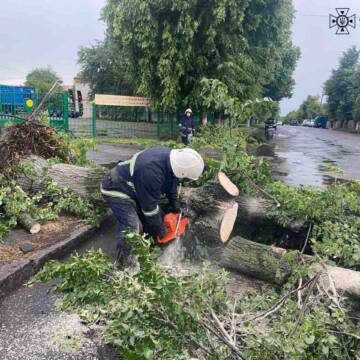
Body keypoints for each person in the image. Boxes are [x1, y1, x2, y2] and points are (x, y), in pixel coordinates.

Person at [101, 147, 205, 268]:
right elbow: (149, 209)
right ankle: (126, 265)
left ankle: (147, 246)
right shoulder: (150, 170)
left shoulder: (171, 160)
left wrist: (174, 203)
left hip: (136, 188)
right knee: (132, 227)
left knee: (157, 214)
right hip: (117, 189)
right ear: (182, 170)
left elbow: (171, 183)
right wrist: (159, 228)